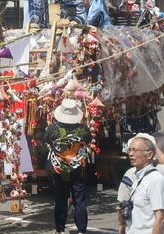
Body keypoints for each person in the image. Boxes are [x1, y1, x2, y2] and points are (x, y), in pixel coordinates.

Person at [44, 99, 92, 234]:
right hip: (78, 169)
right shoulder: (83, 130)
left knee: (60, 200)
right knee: (79, 201)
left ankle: (60, 230)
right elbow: (88, 141)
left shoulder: (52, 129)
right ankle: (81, 230)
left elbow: (46, 141)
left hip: (58, 169)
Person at [118, 134, 164, 234]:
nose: (130, 154)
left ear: (150, 154)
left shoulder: (155, 180)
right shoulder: (138, 177)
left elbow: (160, 219)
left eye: (135, 150)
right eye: (129, 150)